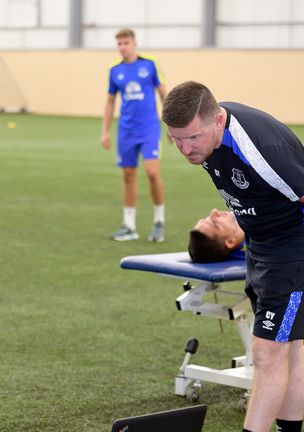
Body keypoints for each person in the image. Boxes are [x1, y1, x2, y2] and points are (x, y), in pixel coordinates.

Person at [162, 80, 304, 432]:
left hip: (292, 255)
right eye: (176, 139)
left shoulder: (262, 150)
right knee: (290, 349)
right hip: (260, 245)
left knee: (267, 354)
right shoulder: (205, 133)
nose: (184, 149)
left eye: (192, 138)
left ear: (218, 121)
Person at [101, 28, 168, 242]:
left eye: (126, 43)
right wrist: (105, 131)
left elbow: (164, 94)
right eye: (119, 44)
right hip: (126, 131)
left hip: (149, 129)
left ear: (134, 43)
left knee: (152, 172)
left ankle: (159, 221)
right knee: (128, 175)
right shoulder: (115, 71)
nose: (122, 47)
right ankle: (129, 226)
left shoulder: (150, 64)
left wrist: (171, 125)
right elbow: (110, 102)